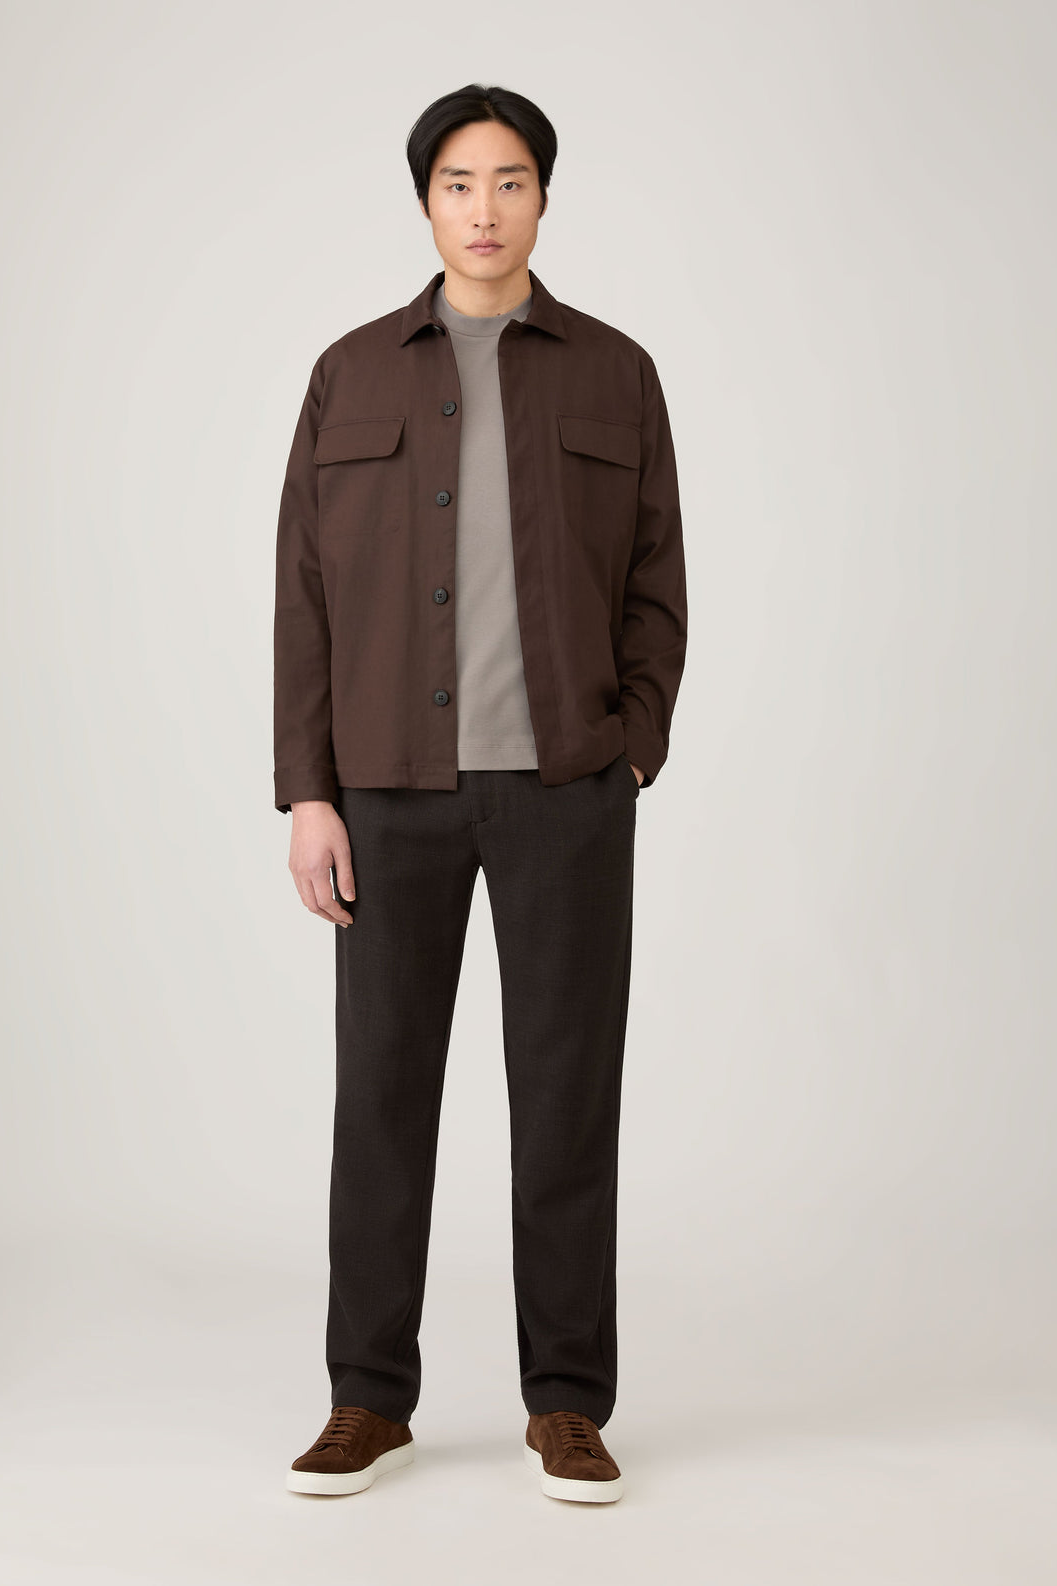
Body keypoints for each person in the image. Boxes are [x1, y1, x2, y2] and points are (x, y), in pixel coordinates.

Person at [275, 83, 687, 1504]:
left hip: (565, 790)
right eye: (459, 182)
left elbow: (656, 577)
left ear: (543, 198)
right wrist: (308, 791)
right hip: (387, 791)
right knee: (381, 1098)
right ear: (425, 201)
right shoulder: (350, 374)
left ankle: (566, 1403)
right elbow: (303, 594)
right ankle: (365, 1398)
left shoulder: (615, 373)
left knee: (565, 1099)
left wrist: (633, 743)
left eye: (510, 180)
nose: (485, 208)